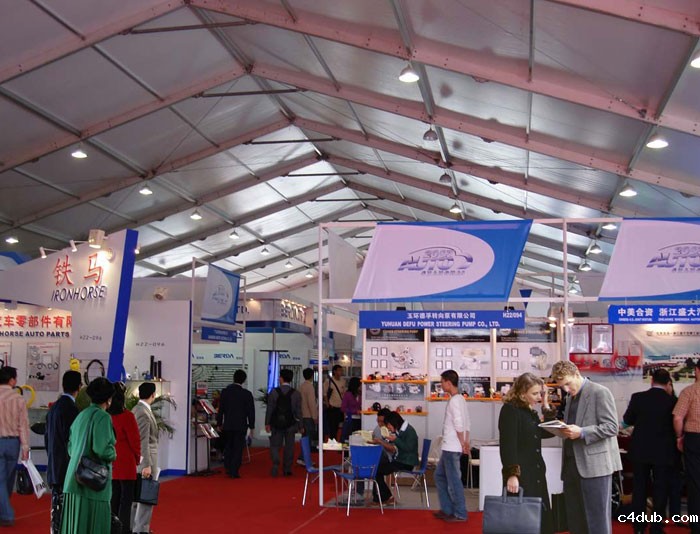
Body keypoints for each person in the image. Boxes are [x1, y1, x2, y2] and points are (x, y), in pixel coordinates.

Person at [551, 360, 622, 534]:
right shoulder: (570, 398)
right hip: (571, 466)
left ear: (577, 374)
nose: (566, 389)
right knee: (575, 520)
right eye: (562, 386)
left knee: (597, 521)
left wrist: (582, 432)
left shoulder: (599, 392)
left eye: (568, 384)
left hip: (595, 467)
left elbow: (612, 427)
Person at [499, 372, 557, 534]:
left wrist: (546, 404)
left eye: (540, 393)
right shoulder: (510, 410)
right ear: (522, 393)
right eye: (535, 393)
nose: (538, 397)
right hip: (522, 474)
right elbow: (508, 445)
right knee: (522, 520)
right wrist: (512, 474)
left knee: (538, 518)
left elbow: (546, 433)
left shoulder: (529, 411)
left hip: (536, 471)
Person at [622, 368, 676, 534]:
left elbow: (627, 420)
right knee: (660, 489)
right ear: (668, 383)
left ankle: (638, 527)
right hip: (663, 452)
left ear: (652, 381)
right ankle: (656, 527)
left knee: (639, 489)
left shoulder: (638, 398)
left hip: (640, 450)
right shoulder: (673, 401)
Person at [61, 377, 116, 534]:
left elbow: (70, 448)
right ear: (108, 399)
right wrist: (113, 453)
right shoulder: (103, 417)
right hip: (93, 483)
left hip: (73, 478)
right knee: (95, 525)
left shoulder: (82, 415)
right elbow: (102, 449)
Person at [45, 370, 81, 534]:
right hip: (66, 466)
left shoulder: (54, 408)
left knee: (56, 508)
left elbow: (47, 438)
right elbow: (72, 441)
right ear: (79, 387)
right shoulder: (72, 410)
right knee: (66, 508)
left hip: (54, 463)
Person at [433, 369, 470, 523]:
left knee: (454, 481)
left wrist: (462, 443)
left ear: (448, 383)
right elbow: (467, 423)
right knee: (439, 476)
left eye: (442, 382)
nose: (441, 385)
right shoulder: (460, 399)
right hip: (452, 446)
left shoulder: (455, 401)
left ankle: (460, 513)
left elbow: (459, 424)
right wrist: (466, 442)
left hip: (452, 447)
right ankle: (447, 509)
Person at [108, 382, 141, 534]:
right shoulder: (127, 416)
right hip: (126, 462)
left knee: (113, 498)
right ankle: (124, 529)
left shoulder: (106, 416)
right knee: (126, 500)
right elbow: (135, 440)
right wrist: (137, 457)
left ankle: (112, 528)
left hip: (111, 462)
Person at [0, 366, 30, 527]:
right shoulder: (19, 399)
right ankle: (6, 513)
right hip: (13, 443)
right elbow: (23, 425)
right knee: (8, 479)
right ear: (12, 380)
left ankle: (4, 511)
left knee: (1, 479)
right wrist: (25, 447)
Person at [673, 360, 700, 534]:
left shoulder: (689, 391)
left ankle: (696, 526)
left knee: (695, 484)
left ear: (697, 370)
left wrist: (679, 437)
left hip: (694, 440)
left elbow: (677, 418)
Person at [371, 411, 419, 505]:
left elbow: (408, 448)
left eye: (388, 425)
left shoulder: (410, 431)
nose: (388, 427)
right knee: (377, 468)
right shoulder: (402, 430)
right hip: (401, 460)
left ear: (394, 422)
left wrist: (395, 440)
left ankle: (385, 497)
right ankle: (381, 498)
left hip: (407, 462)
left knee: (377, 471)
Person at [217, 369, 255, 478]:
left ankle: (228, 467)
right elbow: (251, 412)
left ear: (233, 378)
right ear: (244, 380)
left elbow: (221, 409)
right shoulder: (247, 394)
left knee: (228, 446)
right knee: (238, 448)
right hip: (241, 425)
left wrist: (219, 423)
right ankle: (234, 470)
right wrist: (251, 426)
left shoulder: (225, 392)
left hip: (228, 424)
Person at [132, 382, 159, 534]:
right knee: (146, 497)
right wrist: (146, 465)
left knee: (137, 497)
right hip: (147, 460)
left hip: (141, 460)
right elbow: (143, 440)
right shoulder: (143, 412)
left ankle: (134, 527)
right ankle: (141, 529)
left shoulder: (137, 409)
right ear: (153, 395)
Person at [265, 369, 301, 477]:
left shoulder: (274, 392)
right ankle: (287, 468)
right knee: (289, 446)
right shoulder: (296, 393)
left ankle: (276, 461)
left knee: (275, 445)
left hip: (276, 423)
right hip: (290, 424)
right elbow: (298, 411)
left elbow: (270, 409)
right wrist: (301, 425)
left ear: (281, 378)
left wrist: (267, 423)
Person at [297, 368, 318, 465]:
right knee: (308, 438)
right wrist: (315, 416)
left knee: (305, 437)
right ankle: (303, 458)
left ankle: (302, 457)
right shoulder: (310, 387)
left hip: (302, 415)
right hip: (309, 416)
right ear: (312, 376)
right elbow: (311, 403)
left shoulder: (301, 386)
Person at [323, 365, 346, 441]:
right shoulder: (328, 381)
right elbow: (324, 394)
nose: (341, 372)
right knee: (331, 426)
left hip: (340, 407)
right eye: (339, 370)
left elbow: (343, 393)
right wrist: (328, 404)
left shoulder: (343, 381)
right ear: (334, 371)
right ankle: (332, 441)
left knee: (338, 426)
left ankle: (335, 440)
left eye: (341, 370)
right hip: (332, 407)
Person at [340, 377, 362, 443]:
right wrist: (354, 411)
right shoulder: (348, 394)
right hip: (350, 419)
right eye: (360, 385)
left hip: (359, 419)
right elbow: (343, 408)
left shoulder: (361, 394)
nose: (361, 387)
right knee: (348, 438)